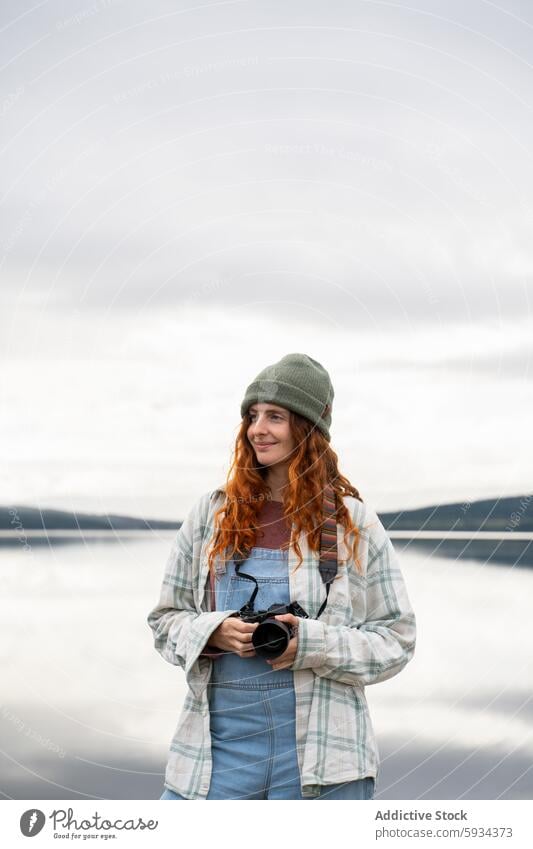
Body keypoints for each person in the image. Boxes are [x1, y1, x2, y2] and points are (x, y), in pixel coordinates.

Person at [147, 352, 416, 800]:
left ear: (308, 429)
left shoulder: (354, 524)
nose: (258, 429)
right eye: (252, 415)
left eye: (275, 416)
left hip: (323, 765)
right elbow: (164, 621)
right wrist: (212, 631)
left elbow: (397, 641)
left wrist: (309, 643)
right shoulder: (210, 516)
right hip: (213, 761)